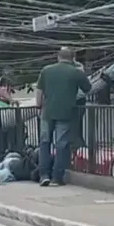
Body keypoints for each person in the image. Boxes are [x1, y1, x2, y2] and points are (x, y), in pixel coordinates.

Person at [35, 47, 92, 187]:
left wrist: (39, 105)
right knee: (61, 144)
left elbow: (39, 90)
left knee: (44, 143)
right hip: (66, 112)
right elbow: (87, 89)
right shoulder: (76, 72)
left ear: (58, 57)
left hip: (46, 112)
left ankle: (43, 175)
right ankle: (56, 178)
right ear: (73, 58)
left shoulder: (46, 70)